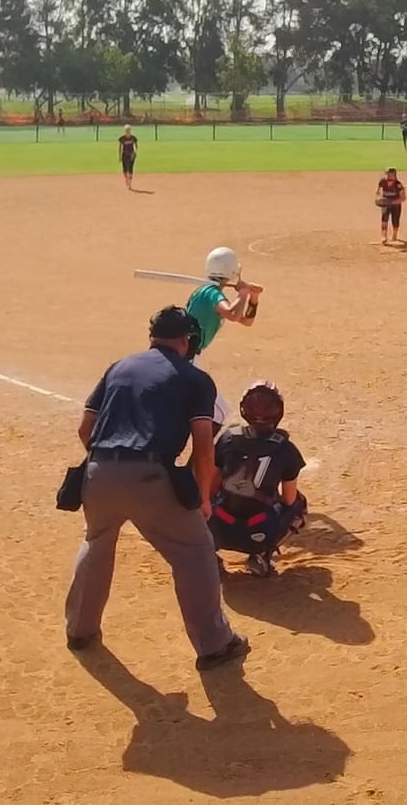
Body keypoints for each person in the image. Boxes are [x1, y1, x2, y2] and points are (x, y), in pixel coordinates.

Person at [63, 306, 249, 671]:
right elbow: (203, 446)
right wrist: (202, 497)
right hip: (150, 475)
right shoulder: (195, 379)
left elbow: (85, 429)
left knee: (96, 542)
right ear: (186, 341)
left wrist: (110, 468)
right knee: (195, 551)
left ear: (152, 337)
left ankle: (79, 630)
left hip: (98, 473)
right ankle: (214, 645)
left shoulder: (118, 368)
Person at [207, 381, 309, 577]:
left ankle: (208, 553)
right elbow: (289, 500)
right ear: (278, 411)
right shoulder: (286, 449)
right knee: (298, 504)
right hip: (258, 531)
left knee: (206, 497)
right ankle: (261, 555)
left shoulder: (228, 438)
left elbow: (210, 486)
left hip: (219, 528)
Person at [186, 247, 262, 423]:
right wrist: (242, 294)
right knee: (219, 412)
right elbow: (233, 314)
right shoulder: (211, 293)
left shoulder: (209, 293)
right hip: (188, 359)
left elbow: (246, 321)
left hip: (190, 357)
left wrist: (253, 298)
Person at [376, 167, 407, 244]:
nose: (389, 177)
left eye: (391, 175)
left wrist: (392, 202)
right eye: (388, 175)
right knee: (384, 219)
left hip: (396, 205)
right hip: (386, 204)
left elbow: (403, 198)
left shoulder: (398, 185)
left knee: (395, 220)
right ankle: (384, 236)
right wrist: (379, 197)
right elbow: (378, 191)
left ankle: (394, 235)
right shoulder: (382, 182)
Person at [117, 125, 140, 190]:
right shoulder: (122, 138)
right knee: (124, 170)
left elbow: (136, 146)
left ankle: (130, 183)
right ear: (124, 131)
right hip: (124, 155)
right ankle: (126, 179)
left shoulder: (133, 138)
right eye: (126, 130)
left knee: (130, 168)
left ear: (130, 130)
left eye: (129, 130)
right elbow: (120, 147)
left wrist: (135, 153)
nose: (127, 131)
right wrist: (119, 156)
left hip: (131, 155)